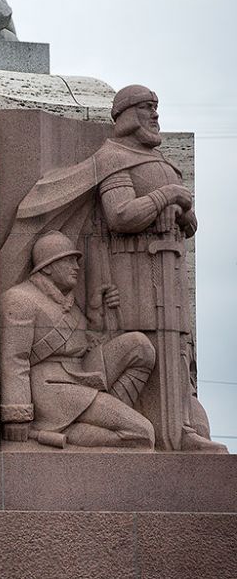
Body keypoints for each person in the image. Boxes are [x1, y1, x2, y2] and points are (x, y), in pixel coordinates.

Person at [98, 85, 225, 451]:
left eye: (156, 107)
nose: (155, 115)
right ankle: (150, 427)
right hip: (134, 271)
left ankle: (181, 427)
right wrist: (165, 197)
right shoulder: (114, 158)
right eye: (146, 107)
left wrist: (182, 209)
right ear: (124, 114)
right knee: (148, 348)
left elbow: (192, 223)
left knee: (179, 352)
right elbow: (120, 215)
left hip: (171, 273)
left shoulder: (166, 165)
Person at [0, 231, 156, 449]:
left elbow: (83, 345)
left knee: (140, 347)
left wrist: (95, 313)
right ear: (47, 267)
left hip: (80, 375)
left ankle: (98, 415)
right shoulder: (20, 299)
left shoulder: (67, 302)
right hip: (52, 389)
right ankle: (70, 431)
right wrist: (17, 415)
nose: (76, 267)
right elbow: (14, 358)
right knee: (142, 432)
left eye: (76, 261)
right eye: (68, 261)